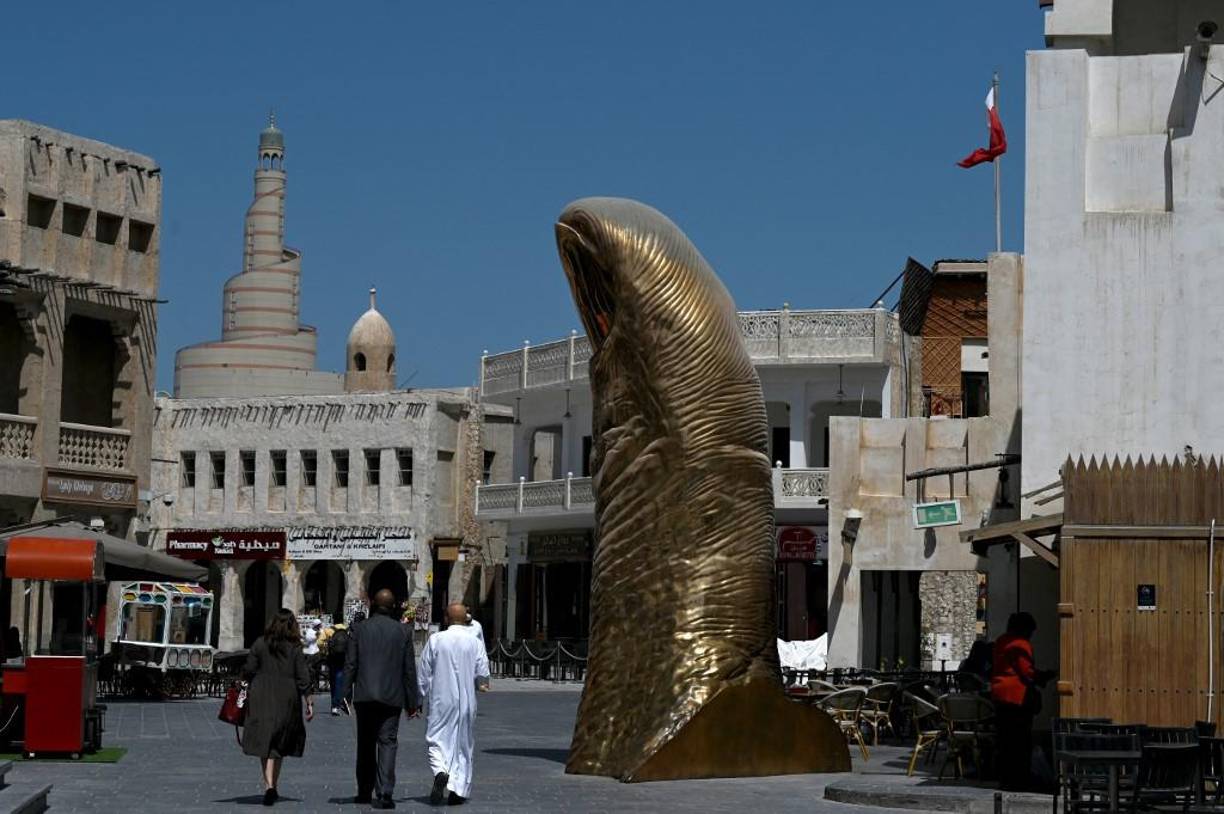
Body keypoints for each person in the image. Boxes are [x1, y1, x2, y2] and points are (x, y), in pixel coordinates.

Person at [345, 590, 420, 809]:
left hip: (365, 695)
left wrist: (344, 695)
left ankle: (364, 791)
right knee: (387, 742)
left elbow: (351, 664)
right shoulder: (403, 631)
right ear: (394, 606)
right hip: (391, 696)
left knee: (365, 743)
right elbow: (409, 670)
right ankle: (385, 792)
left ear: (372, 605)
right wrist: (412, 703)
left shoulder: (359, 629)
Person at [419, 602, 491, 806]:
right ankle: (458, 790)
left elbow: (424, 672)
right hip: (466, 701)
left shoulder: (436, 640)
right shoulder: (474, 642)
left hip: (441, 699)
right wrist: (481, 684)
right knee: (463, 743)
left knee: (436, 739)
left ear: (446, 618)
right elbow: (483, 673)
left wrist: (418, 696)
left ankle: (441, 770)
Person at [241, 609, 314, 806]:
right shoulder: (294, 647)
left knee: (266, 739)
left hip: (261, 693)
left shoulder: (260, 643)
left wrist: (246, 682)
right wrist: (309, 700)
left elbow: (248, 669)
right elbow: (302, 675)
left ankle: (269, 785)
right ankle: (272, 785)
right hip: (286, 696)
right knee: (279, 741)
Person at [991, 612, 1054, 791]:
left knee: (1005, 740)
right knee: (1019, 740)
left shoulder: (1002, 640)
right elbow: (1027, 672)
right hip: (1016, 698)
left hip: (999, 694)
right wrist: (1045, 676)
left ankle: (1006, 779)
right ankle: (1018, 779)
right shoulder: (1021, 644)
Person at [323, 622, 352, 716]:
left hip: (332, 659)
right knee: (340, 680)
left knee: (333, 682)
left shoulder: (328, 630)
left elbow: (320, 642)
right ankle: (342, 701)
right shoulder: (347, 631)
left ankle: (334, 705)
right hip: (343, 659)